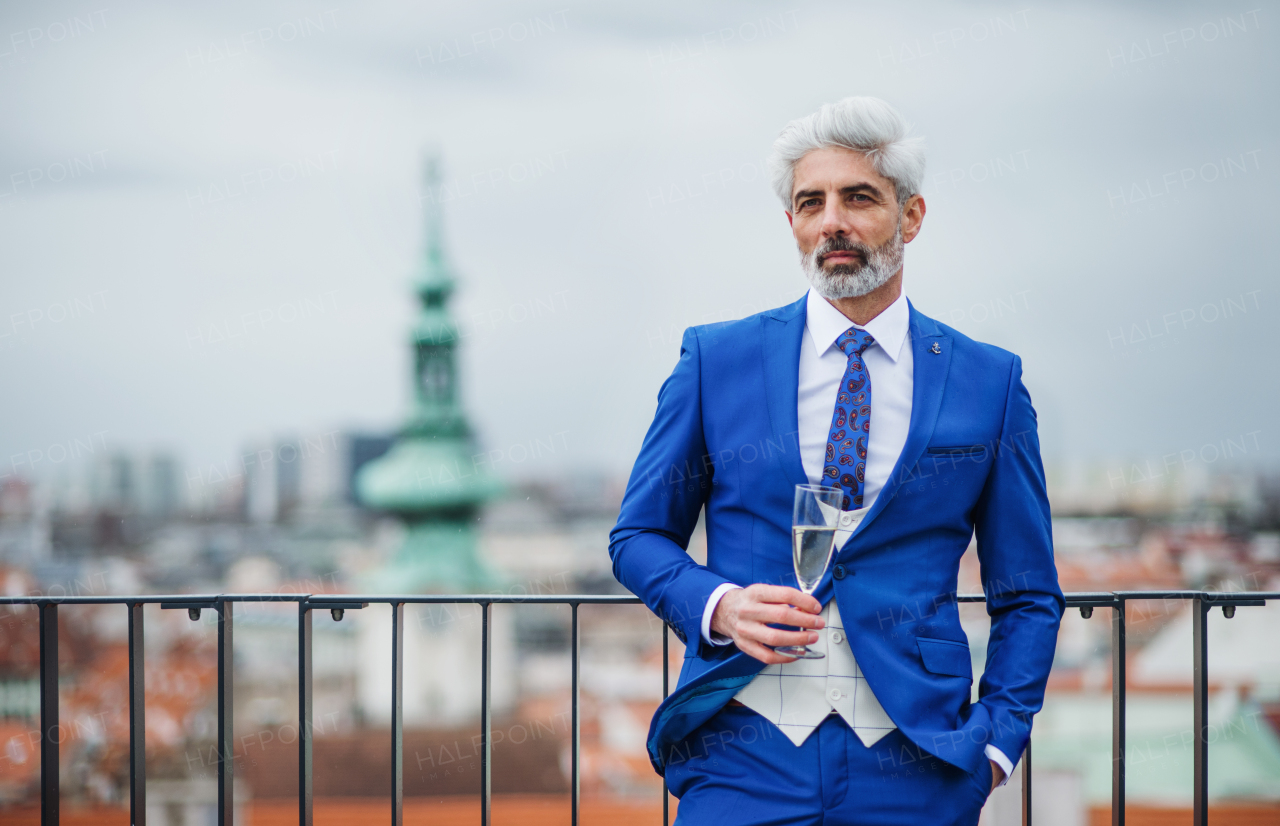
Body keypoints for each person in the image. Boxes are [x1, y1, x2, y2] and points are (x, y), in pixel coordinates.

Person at [609, 96, 1063, 825]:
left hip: (919, 761)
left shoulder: (990, 382)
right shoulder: (715, 360)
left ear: (911, 216)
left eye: (859, 198)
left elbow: (1028, 592)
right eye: (810, 202)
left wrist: (996, 745)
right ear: (791, 222)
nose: (832, 222)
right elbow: (636, 539)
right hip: (741, 750)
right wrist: (719, 607)